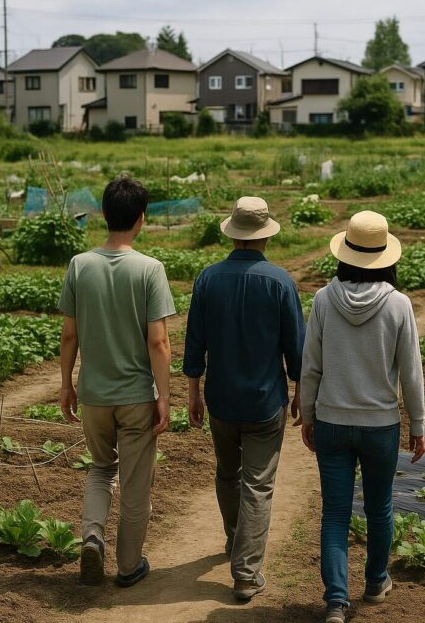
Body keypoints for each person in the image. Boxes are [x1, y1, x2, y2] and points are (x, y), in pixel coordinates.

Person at [299, 211, 425, 623]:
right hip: (380, 425)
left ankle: (336, 600)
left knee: (335, 512)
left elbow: (311, 366)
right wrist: (419, 426)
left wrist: (307, 414)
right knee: (379, 508)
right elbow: (411, 372)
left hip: (332, 422)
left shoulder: (323, 299)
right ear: (387, 258)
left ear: (345, 253)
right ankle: (375, 582)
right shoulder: (399, 304)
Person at [184, 196, 306, 601]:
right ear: (265, 237)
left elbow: (194, 344)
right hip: (265, 402)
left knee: (226, 474)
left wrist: (193, 395)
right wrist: (301, 390)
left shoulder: (207, 279)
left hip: (220, 400)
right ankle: (246, 572)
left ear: (233, 235)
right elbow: (296, 348)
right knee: (258, 484)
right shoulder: (280, 282)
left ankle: (235, 537)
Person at [58, 176, 176, 588]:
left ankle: (92, 537)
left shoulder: (79, 265)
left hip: (93, 394)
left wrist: (66, 384)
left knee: (99, 469)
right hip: (135, 397)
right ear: (141, 219)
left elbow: (69, 335)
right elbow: (158, 341)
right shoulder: (150, 270)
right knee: (135, 483)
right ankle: (128, 567)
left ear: (104, 215)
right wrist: (165, 396)